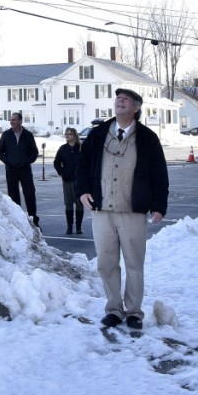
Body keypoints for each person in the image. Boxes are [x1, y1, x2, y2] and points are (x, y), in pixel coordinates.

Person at [76, 87, 168, 331]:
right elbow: (82, 166)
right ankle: (114, 309)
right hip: (102, 210)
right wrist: (83, 190)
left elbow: (160, 173)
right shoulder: (98, 135)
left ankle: (134, 311)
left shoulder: (147, 138)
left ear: (136, 108)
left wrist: (159, 205)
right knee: (106, 262)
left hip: (132, 211)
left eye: (126, 99)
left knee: (134, 263)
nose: (120, 101)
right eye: (118, 98)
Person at [0, 112, 40, 228]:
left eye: (14, 120)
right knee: (13, 195)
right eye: (11, 120)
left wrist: (27, 161)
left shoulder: (28, 135)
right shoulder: (6, 135)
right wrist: (7, 161)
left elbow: (34, 152)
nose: (11, 122)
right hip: (11, 170)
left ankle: (33, 220)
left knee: (29, 194)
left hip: (25, 169)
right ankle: (18, 221)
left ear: (20, 121)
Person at [53, 127, 83, 235]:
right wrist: (62, 173)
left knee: (80, 204)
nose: (67, 136)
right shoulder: (63, 148)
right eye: (66, 134)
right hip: (67, 180)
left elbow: (87, 163)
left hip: (80, 181)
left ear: (74, 135)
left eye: (69, 134)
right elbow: (56, 162)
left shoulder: (81, 148)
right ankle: (69, 227)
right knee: (69, 204)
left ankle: (78, 227)